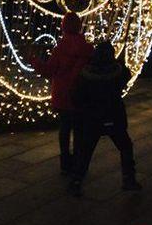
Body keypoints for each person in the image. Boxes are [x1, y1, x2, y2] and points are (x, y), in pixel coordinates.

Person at [68, 42, 140, 196]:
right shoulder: (117, 72)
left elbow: (76, 96)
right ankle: (129, 178)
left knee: (85, 151)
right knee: (125, 147)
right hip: (114, 116)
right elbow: (126, 76)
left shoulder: (85, 74)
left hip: (92, 118)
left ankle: (76, 180)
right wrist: (120, 62)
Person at [31, 12, 93, 175]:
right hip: (81, 95)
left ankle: (65, 162)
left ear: (63, 26)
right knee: (79, 130)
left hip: (63, 95)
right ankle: (78, 161)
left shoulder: (60, 48)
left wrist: (34, 61)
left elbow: (49, 70)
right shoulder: (87, 48)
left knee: (65, 128)